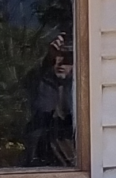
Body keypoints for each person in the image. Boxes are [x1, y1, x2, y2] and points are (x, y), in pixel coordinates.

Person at [23, 29, 76, 166]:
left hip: (72, 165)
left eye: (67, 57)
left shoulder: (82, 87)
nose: (60, 62)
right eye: (56, 57)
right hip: (39, 161)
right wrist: (48, 58)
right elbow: (29, 80)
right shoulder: (43, 82)